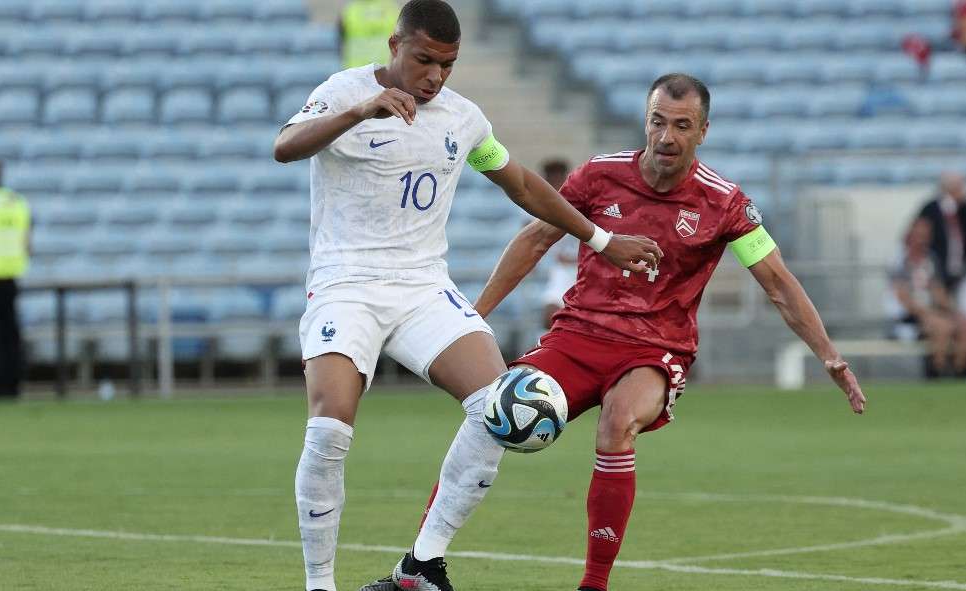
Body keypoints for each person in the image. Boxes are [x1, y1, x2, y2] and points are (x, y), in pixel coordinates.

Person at [272, 2, 662, 591]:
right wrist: (359, 112)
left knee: (497, 407)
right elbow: (286, 146)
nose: (434, 76)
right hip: (345, 286)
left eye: (447, 65)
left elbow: (523, 185)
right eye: (424, 59)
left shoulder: (462, 119)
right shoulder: (344, 90)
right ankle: (319, 585)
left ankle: (421, 565)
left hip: (424, 288)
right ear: (395, 44)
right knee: (329, 429)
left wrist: (601, 239)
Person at [442, 73, 865, 591]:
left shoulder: (724, 203)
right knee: (491, 415)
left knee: (618, 423)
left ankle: (593, 585)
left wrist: (828, 355)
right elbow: (536, 239)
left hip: (654, 349)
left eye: (682, 126)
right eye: (658, 122)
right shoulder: (599, 176)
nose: (667, 137)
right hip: (576, 335)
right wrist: (475, 313)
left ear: (703, 131)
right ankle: (421, 563)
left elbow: (777, 282)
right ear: (647, 121)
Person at [889, 218, 966, 377]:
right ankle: (938, 373)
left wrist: (954, 311)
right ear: (910, 236)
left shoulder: (932, 260)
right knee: (942, 327)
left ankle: (960, 373)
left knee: (965, 325)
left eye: (925, 235)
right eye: (919, 235)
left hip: (934, 312)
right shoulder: (900, 262)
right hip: (912, 315)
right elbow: (902, 297)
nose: (922, 239)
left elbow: (938, 291)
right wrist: (927, 313)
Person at [0, 160, 31, 399]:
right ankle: (13, 386)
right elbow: (28, 244)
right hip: (11, 277)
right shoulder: (17, 203)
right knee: (11, 334)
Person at [917, 172, 966, 288]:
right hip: (937, 270)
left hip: (963, 271)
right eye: (960, 186)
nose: (964, 191)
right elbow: (918, 236)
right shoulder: (931, 208)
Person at [537, 158, 578, 329]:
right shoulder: (537, 208)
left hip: (582, 269)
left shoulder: (582, 203)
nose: (555, 184)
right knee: (550, 317)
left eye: (558, 178)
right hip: (557, 271)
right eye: (551, 179)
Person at [338, 0, 401, 68]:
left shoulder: (350, 10)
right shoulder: (392, 9)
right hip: (386, 70)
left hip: (355, 70)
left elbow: (340, 38)